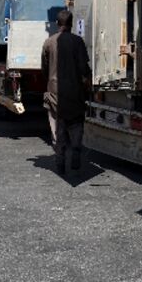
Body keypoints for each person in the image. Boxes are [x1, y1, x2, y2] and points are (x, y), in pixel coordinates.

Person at [41, 10, 91, 175]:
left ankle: (60, 160)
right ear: (71, 24)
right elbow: (84, 68)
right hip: (75, 91)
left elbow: (45, 69)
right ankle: (76, 150)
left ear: (57, 23)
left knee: (57, 125)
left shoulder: (48, 43)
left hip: (55, 91)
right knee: (76, 123)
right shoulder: (78, 42)